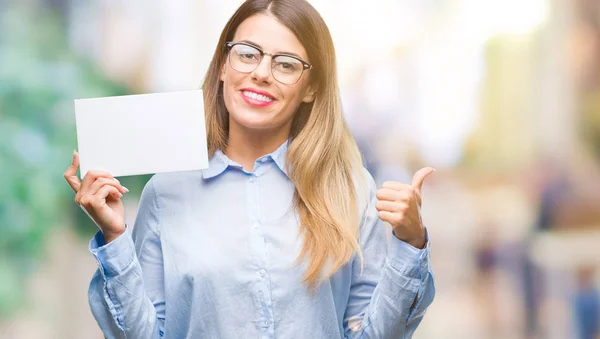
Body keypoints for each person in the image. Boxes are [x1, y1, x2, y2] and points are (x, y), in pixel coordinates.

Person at [63, 0, 435, 337]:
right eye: (247, 54)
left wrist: (410, 242)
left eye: (286, 64)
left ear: (311, 88)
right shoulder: (166, 192)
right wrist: (113, 237)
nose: (261, 73)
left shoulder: (350, 189)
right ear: (224, 66)